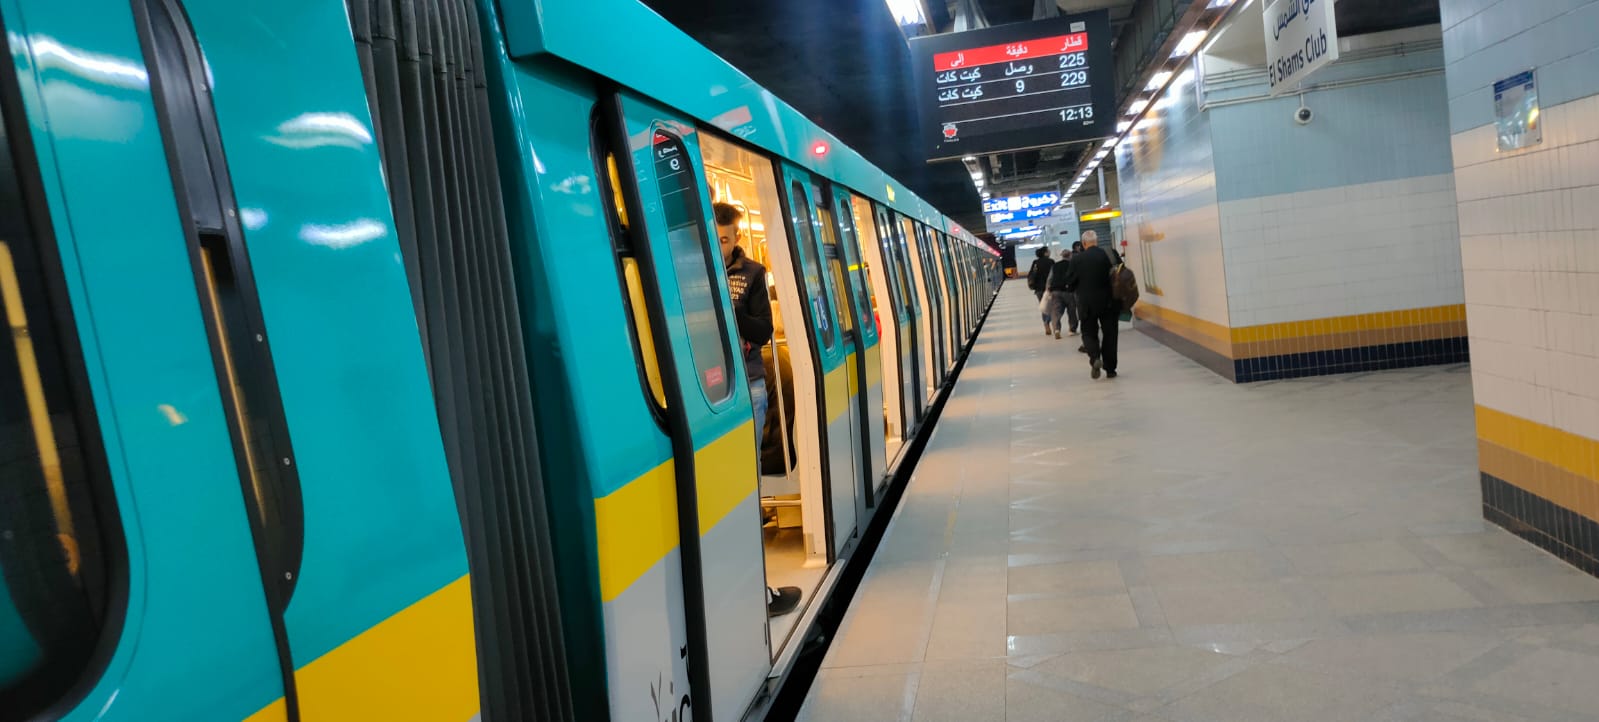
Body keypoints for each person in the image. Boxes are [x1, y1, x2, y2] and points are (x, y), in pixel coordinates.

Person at [713, 202, 801, 618]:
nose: (720, 245)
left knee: (745, 486)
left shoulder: (752, 274)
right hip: (707, 392)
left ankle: (755, 587)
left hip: (747, 386)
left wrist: (727, 307)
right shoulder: (685, 272)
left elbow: (763, 331)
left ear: (737, 238)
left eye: (725, 239)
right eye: (714, 238)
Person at [1063, 230, 1122, 379]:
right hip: (1109, 302)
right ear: (1097, 241)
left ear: (1083, 244)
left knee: (1088, 333)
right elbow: (1121, 274)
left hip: (1086, 303)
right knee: (1110, 334)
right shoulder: (1110, 254)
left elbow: (1069, 283)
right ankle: (1110, 369)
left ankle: (1095, 357)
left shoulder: (1077, 259)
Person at [1043, 246, 1077, 339]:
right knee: (1071, 311)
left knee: (1056, 311)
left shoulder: (1055, 265)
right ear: (1070, 255)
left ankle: (1056, 329)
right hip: (1069, 291)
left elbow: (1050, 278)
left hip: (1055, 291)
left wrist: (1047, 289)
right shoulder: (1072, 265)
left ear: (1062, 256)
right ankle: (1072, 330)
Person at [1024, 246, 1055, 334]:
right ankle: (1053, 324)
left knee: (1044, 306)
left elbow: (1031, 274)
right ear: (1045, 253)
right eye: (1048, 251)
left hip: (1039, 289)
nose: (1049, 252)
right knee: (1053, 306)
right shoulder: (1051, 261)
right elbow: (1054, 274)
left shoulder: (1035, 262)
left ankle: (1046, 324)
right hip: (1050, 288)